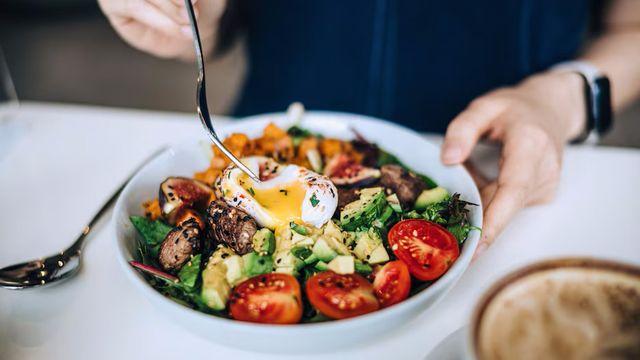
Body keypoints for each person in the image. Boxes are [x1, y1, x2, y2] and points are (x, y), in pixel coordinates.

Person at [99, 0, 640, 256]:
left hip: (509, 179)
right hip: (264, 137)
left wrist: (565, 98)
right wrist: (190, 18)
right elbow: (227, 15)